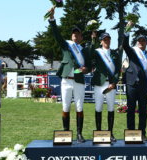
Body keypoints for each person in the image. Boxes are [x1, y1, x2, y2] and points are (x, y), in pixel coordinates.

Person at [48, 7, 92, 143]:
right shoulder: (66, 45)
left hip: (78, 79)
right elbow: (56, 34)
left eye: (78, 34)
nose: (75, 35)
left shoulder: (85, 50)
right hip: (66, 80)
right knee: (65, 106)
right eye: (74, 33)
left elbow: (89, 66)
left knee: (79, 107)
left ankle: (79, 134)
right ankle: (66, 133)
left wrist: (86, 70)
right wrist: (52, 19)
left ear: (81, 37)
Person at [122, 21, 147, 141]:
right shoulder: (133, 52)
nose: (141, 42)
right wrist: (127, 30)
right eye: (139, 41)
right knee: (130, 110)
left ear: (146, 43)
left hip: (143, 86)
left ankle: (142, 133)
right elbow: (125, 44)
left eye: (143, 41)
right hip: (131, 84)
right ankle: (131, 133)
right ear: (137, 42)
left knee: (143, 111)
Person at [90, 32, 121, 142]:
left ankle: (110, 133)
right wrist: (93, 41)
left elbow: (118, 70)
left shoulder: (115, 54)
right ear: (101, 41)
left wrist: (114, 82)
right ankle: (98, 132)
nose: (107, 41)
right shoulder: (98, 52)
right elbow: (91, 53)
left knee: (110, 108)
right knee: (98, 108)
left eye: (108, 39)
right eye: (104, 39)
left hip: (110, 85)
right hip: (99, 83)